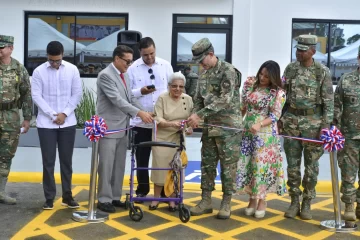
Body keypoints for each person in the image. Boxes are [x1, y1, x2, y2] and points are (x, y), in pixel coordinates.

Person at [279, 35, 334, 220]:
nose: (299, 53)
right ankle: (294, 201)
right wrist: (279, 119)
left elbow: (329, 102)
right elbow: (282, 95)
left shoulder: (322, 71)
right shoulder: (291, 68)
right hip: (292, 123)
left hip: (314, 124)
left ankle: (307, 203)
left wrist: (325, 127)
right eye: (297, 49)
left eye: (302, 50)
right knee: (293, 166)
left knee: (311, 167)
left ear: (313, 51)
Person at [187, 38, 242, 219]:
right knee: (207, 165)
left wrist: (200, 115)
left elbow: (224, 100)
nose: (200, 65)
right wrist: (194, 116)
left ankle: (226, 202)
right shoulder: (203, 74)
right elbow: (197, 99)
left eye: (202, 61)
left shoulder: (228, 71)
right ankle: (206, 201)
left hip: (228, 128)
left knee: (228, 166)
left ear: (211, 54)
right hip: (209, 127)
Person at [96, 45, 153, 213]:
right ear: (117, 59)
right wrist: (139, 113)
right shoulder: (105, 76)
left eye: (131, 61)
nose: (129, 64)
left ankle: (114, 197)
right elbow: (117, 100)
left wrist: (145, 112)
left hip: (123, 127)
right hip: (109, 128)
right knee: (106, 165)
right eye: (127, 61)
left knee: (119, 164)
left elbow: (129, 98)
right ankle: (104, 199)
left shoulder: (125, 76)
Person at [31, 41, 82, 210]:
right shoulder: (39, 72)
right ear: (47, 56)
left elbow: (76, 94)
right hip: (46, 123)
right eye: (52, 60)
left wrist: (64, 114)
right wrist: (53, 115)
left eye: (58, 60)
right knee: (48, 162)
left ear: (62, 55)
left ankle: (67, 196)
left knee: (66, 161)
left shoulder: (72, 69)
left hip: (68, 122)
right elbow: (37, 96)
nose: (55, 64)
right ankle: (49, 198)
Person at [236, 60, 286, 218]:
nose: (262, 77)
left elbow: (275, 115)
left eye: (266, 75)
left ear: (273, 77)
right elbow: (243, 107)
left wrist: (259, 124)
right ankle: (252, 199)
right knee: (249, 165)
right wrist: (238, 122)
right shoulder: (251, 86)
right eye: (261, 73)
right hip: (248, 132)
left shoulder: (278, 93)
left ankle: (262, 200)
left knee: (261, 167)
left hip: (265, 135)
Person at [127, 37, 173, 201]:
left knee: (163, 157)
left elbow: (173, 90)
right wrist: (141, 91)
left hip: (162, 121)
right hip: (141, 120)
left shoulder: (166, 65)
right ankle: (142, 189)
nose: (150, 57)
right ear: (141, 53)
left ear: (155, 49)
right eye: (146, 55)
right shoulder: (132, 68)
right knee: (142, 157)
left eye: (152, 53)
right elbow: (127, 94)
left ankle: (164, 191)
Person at [149, 72, 193, 211]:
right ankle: (156, 197)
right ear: (169, 86)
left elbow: (191, 119)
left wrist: (189, 128)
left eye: (181, 86)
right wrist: (172, 124)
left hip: (178, 138)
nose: (177, 89)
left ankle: (172, 198)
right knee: (160, 167)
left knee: (175, 168)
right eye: (174, 86)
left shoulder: (188, 99)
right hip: (162, 137)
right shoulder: (162, 98)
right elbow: (158, 119)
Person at [0, 34, 32, 205]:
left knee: (6, 155)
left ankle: (1, 192)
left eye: (2, 47)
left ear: (10, 48)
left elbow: (27, 94)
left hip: (10, 116)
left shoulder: (19, 69)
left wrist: (27, 118)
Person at [332, 45, 360, 221]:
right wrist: (335, 128)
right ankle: (349, 204)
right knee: (348, 173)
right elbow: (336, 105)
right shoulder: (346, 80)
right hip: (349, 136)